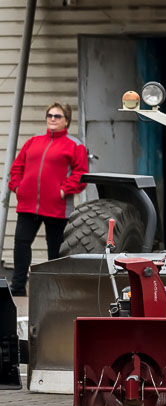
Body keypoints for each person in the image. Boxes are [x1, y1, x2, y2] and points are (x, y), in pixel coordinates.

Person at [7, 102, 88, 296]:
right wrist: (18, 188)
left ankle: (55, 289)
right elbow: (16, 167)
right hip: (27, 205)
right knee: (21, 243)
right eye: (49, 115)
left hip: (57, 207)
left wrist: (62, 191)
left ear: (66, 121)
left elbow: (81, 174)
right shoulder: (33, 141)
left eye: (57, 116)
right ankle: (18, 286)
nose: (52, 118)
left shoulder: (75, 145)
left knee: (55, 249)